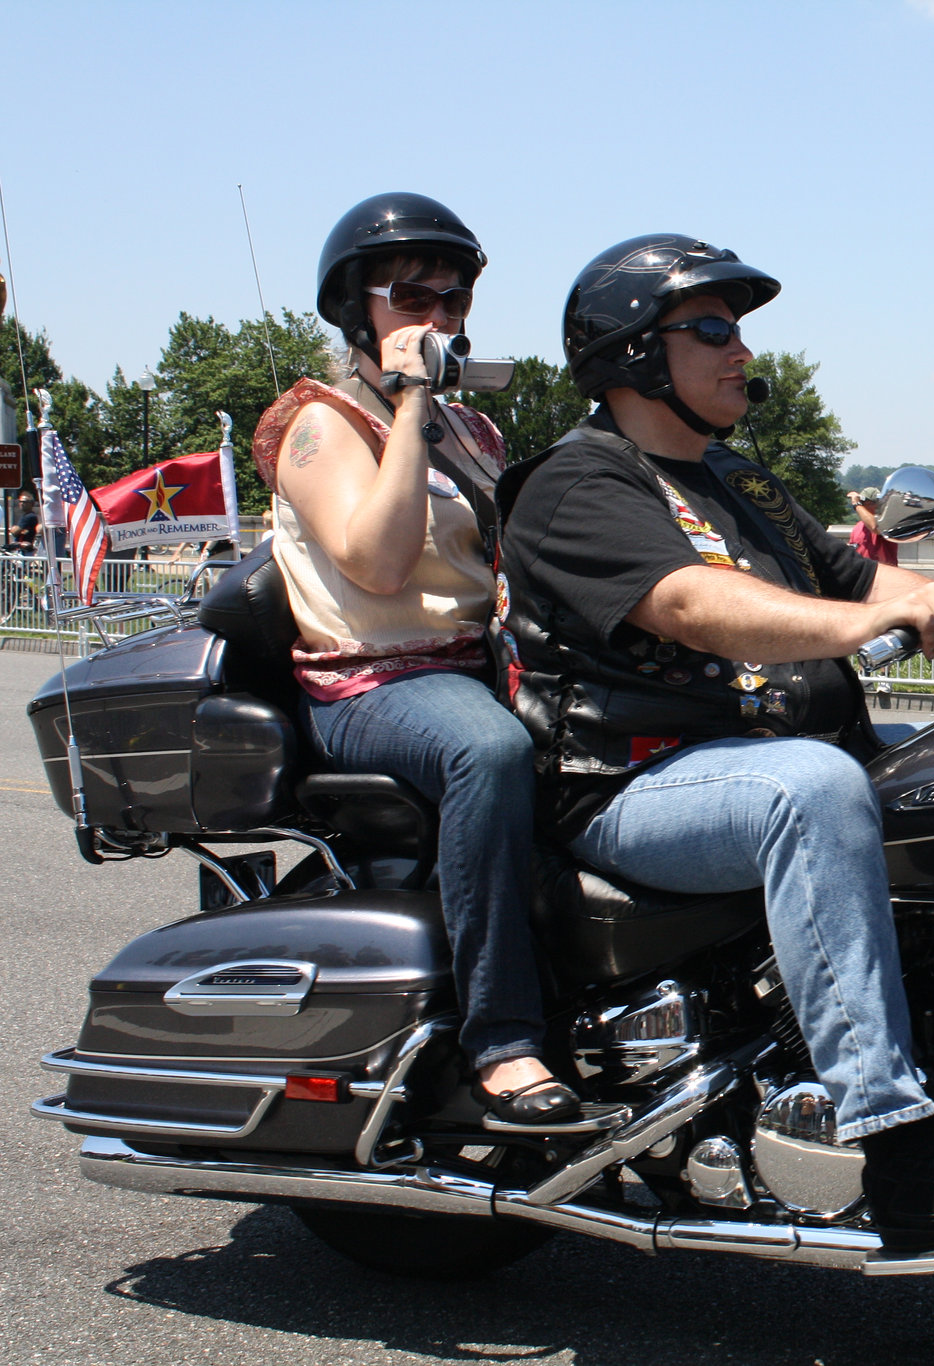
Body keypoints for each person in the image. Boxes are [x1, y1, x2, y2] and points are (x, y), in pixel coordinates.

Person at [495, 233, 934, 1245]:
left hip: (753, 758)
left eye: (739, 329)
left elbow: (865, 582)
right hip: (636, 785)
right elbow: (695, 604)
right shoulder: (576, 484)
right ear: (635, 353)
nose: (741, 351)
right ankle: (898, 1146)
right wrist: (868, 625)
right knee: (808, 787)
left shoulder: (739, 483)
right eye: (710, 328)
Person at [250, 193, 572, 1126]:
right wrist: (413, 397)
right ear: (359, 308)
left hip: (474, 664)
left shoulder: (475, 433)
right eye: (412, 296)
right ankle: (503, 1044)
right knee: (490, 753)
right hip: (373, 680)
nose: (437, 315)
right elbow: (380, 563)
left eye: (455, 299)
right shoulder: (314, 423)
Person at [846, 486, 898, 566]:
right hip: (862, 573)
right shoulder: (858, 526)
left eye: (870, 504)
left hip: (882, 573)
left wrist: (856, 504)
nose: (865, 507)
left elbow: (874, 527)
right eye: (863, 504)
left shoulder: (886, 522)